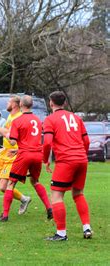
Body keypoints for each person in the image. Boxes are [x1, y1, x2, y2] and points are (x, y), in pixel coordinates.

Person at [0, 95, 52, 222]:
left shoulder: (17, 120)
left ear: (20, 105)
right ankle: (49, 208)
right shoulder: (37, 120)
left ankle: (5, 215)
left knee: (11, 183)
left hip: (24, 155)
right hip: (37, 154)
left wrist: (2, 131)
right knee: (35, 182)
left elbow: (13, 141)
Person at [43, 91, 92, 241]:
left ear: (51, 103)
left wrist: (46, 160)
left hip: (66, 161)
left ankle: (61, 234)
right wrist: (81, 155)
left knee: (57, 196)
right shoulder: (77, 118)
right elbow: (87, 142)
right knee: (78, 194)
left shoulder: (50, 119)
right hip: (81, 159)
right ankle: (87, 228)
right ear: (64, 103)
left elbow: (47, 143)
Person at [0, 96, 31, 218]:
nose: (7, 103)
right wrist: (5, 146)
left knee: (3, 187)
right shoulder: (10, 116)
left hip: (13, 155)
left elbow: (10, 136)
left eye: (9, 102)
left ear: (15, 104)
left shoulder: (19, 118)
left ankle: (24, 199)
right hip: (4, 153)